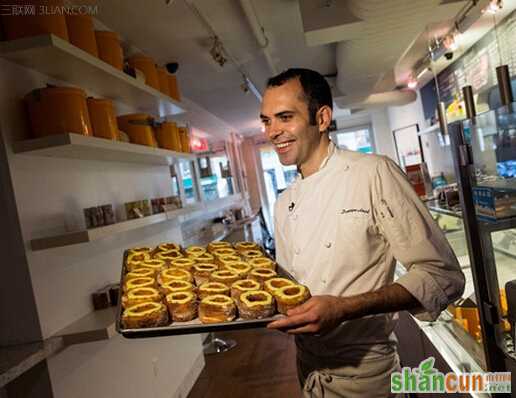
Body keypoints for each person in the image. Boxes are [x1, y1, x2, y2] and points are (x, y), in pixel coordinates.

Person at [261, 68, 465, 398]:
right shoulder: (284, 203)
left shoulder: (373, 173)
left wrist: (345, 308)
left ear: (322, 117)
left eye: (285, 117)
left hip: (368, 379)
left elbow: (442, 275)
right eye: (266, 121)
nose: (273, 131)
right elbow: (291, 289)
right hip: (308, 373)